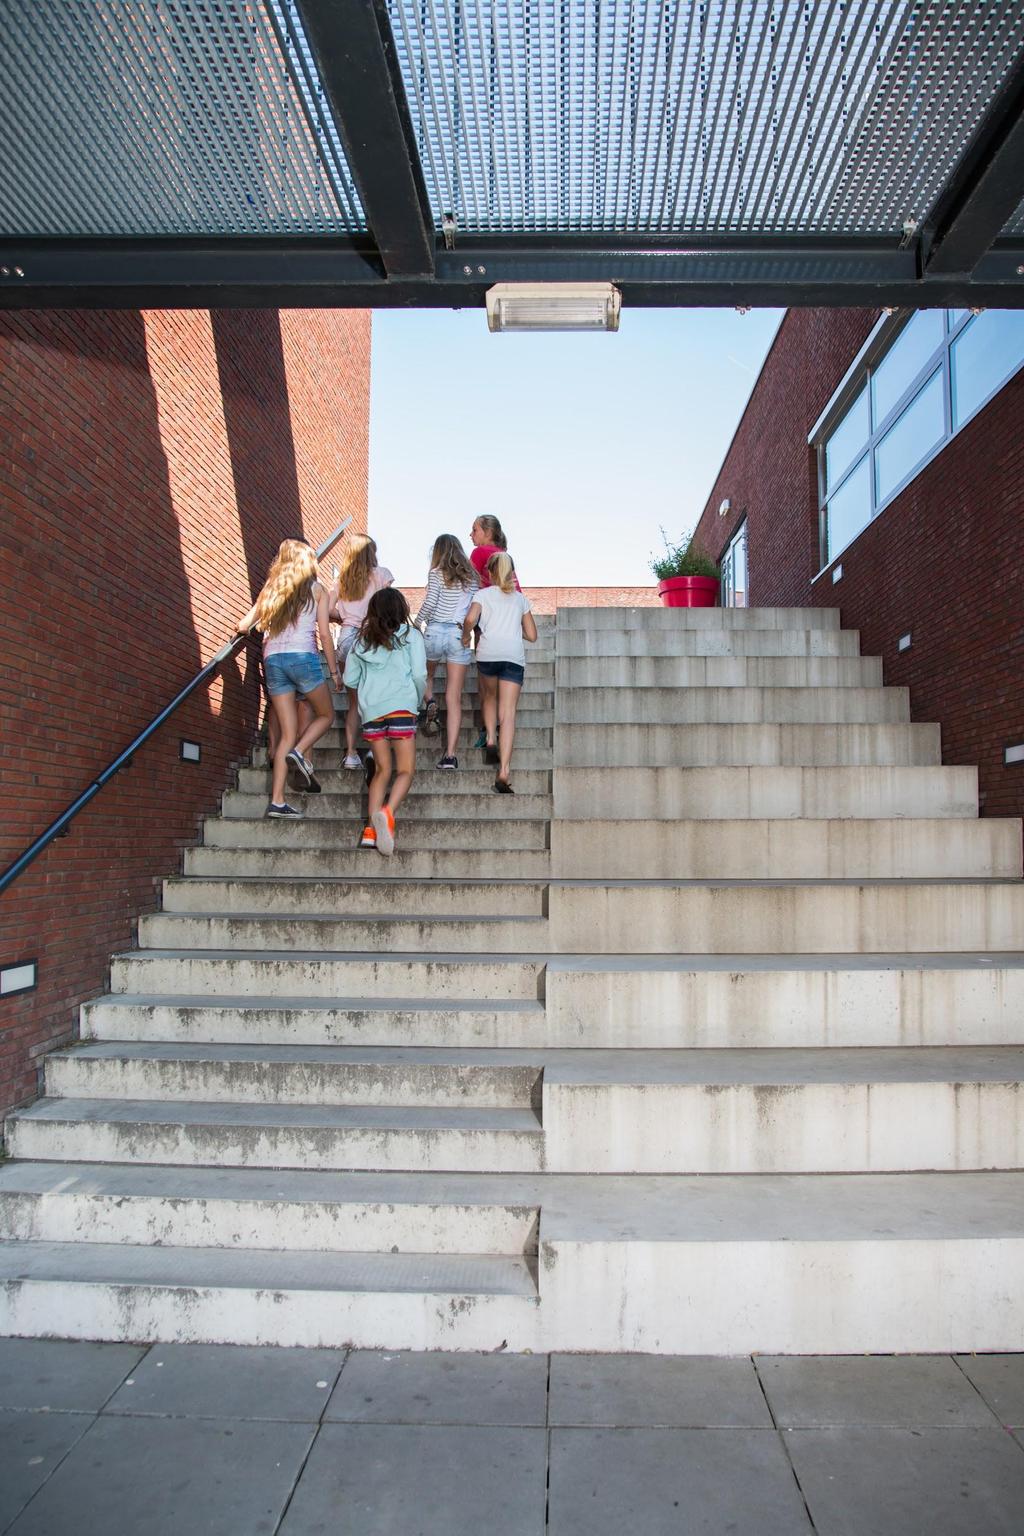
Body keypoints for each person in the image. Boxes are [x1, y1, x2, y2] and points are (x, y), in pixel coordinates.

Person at [236, 539, 340, 819]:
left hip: (273, 660)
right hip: (303, 658)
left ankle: (277, 801)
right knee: (326, 715)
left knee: (286, 731)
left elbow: (244, 625)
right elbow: (325, 634)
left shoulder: (271, 590)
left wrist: (249, 630)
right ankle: (299, 750)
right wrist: (334, 672)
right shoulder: (316, 590)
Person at [344, 588, 426, 855]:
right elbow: (419, 675)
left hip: (372, 713)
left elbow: (349, 681)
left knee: (381, 771)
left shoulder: (361, 642)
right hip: (401, 706)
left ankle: (370, 830)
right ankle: (387, 812)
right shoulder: (411, 636)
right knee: (405, 771)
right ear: (401, 610)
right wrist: (418, 700)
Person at [462, 552, 536, 793]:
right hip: (513, 656)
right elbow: (533, 635)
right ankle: (504, 771)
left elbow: (471, 619)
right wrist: (515, 629)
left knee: (489, 697)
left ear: (490, 573)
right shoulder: (520, 600)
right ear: (512, 573)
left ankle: (491, 738)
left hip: (488, 654)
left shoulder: (482, 595)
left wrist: (465, 636)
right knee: (509, 713)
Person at [415, 534, 479, 770]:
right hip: (457, 634)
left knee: (426, 675)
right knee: (454, 697)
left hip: (434, 631)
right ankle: (450, 755)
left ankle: (430, 700)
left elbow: (430, 602)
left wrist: (417, 623)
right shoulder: (473, 578)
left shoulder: (436, 573)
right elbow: (475, 609)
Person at [331, 534, 393, 769]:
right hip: (371, 636)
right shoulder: (382, 575)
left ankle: (350, 755)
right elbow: (389, 605)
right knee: (376, 697)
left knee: (354, 702)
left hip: (347, 639)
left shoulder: (341, 581)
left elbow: (327, 609)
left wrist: (345, 617)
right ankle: (374, 752)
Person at [468, 515, 522, 591]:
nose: (471, 534)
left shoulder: (480, 552)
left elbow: (469, 583)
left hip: (489, 601)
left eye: (474, 530)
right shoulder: (504, 554)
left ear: (488, 533)